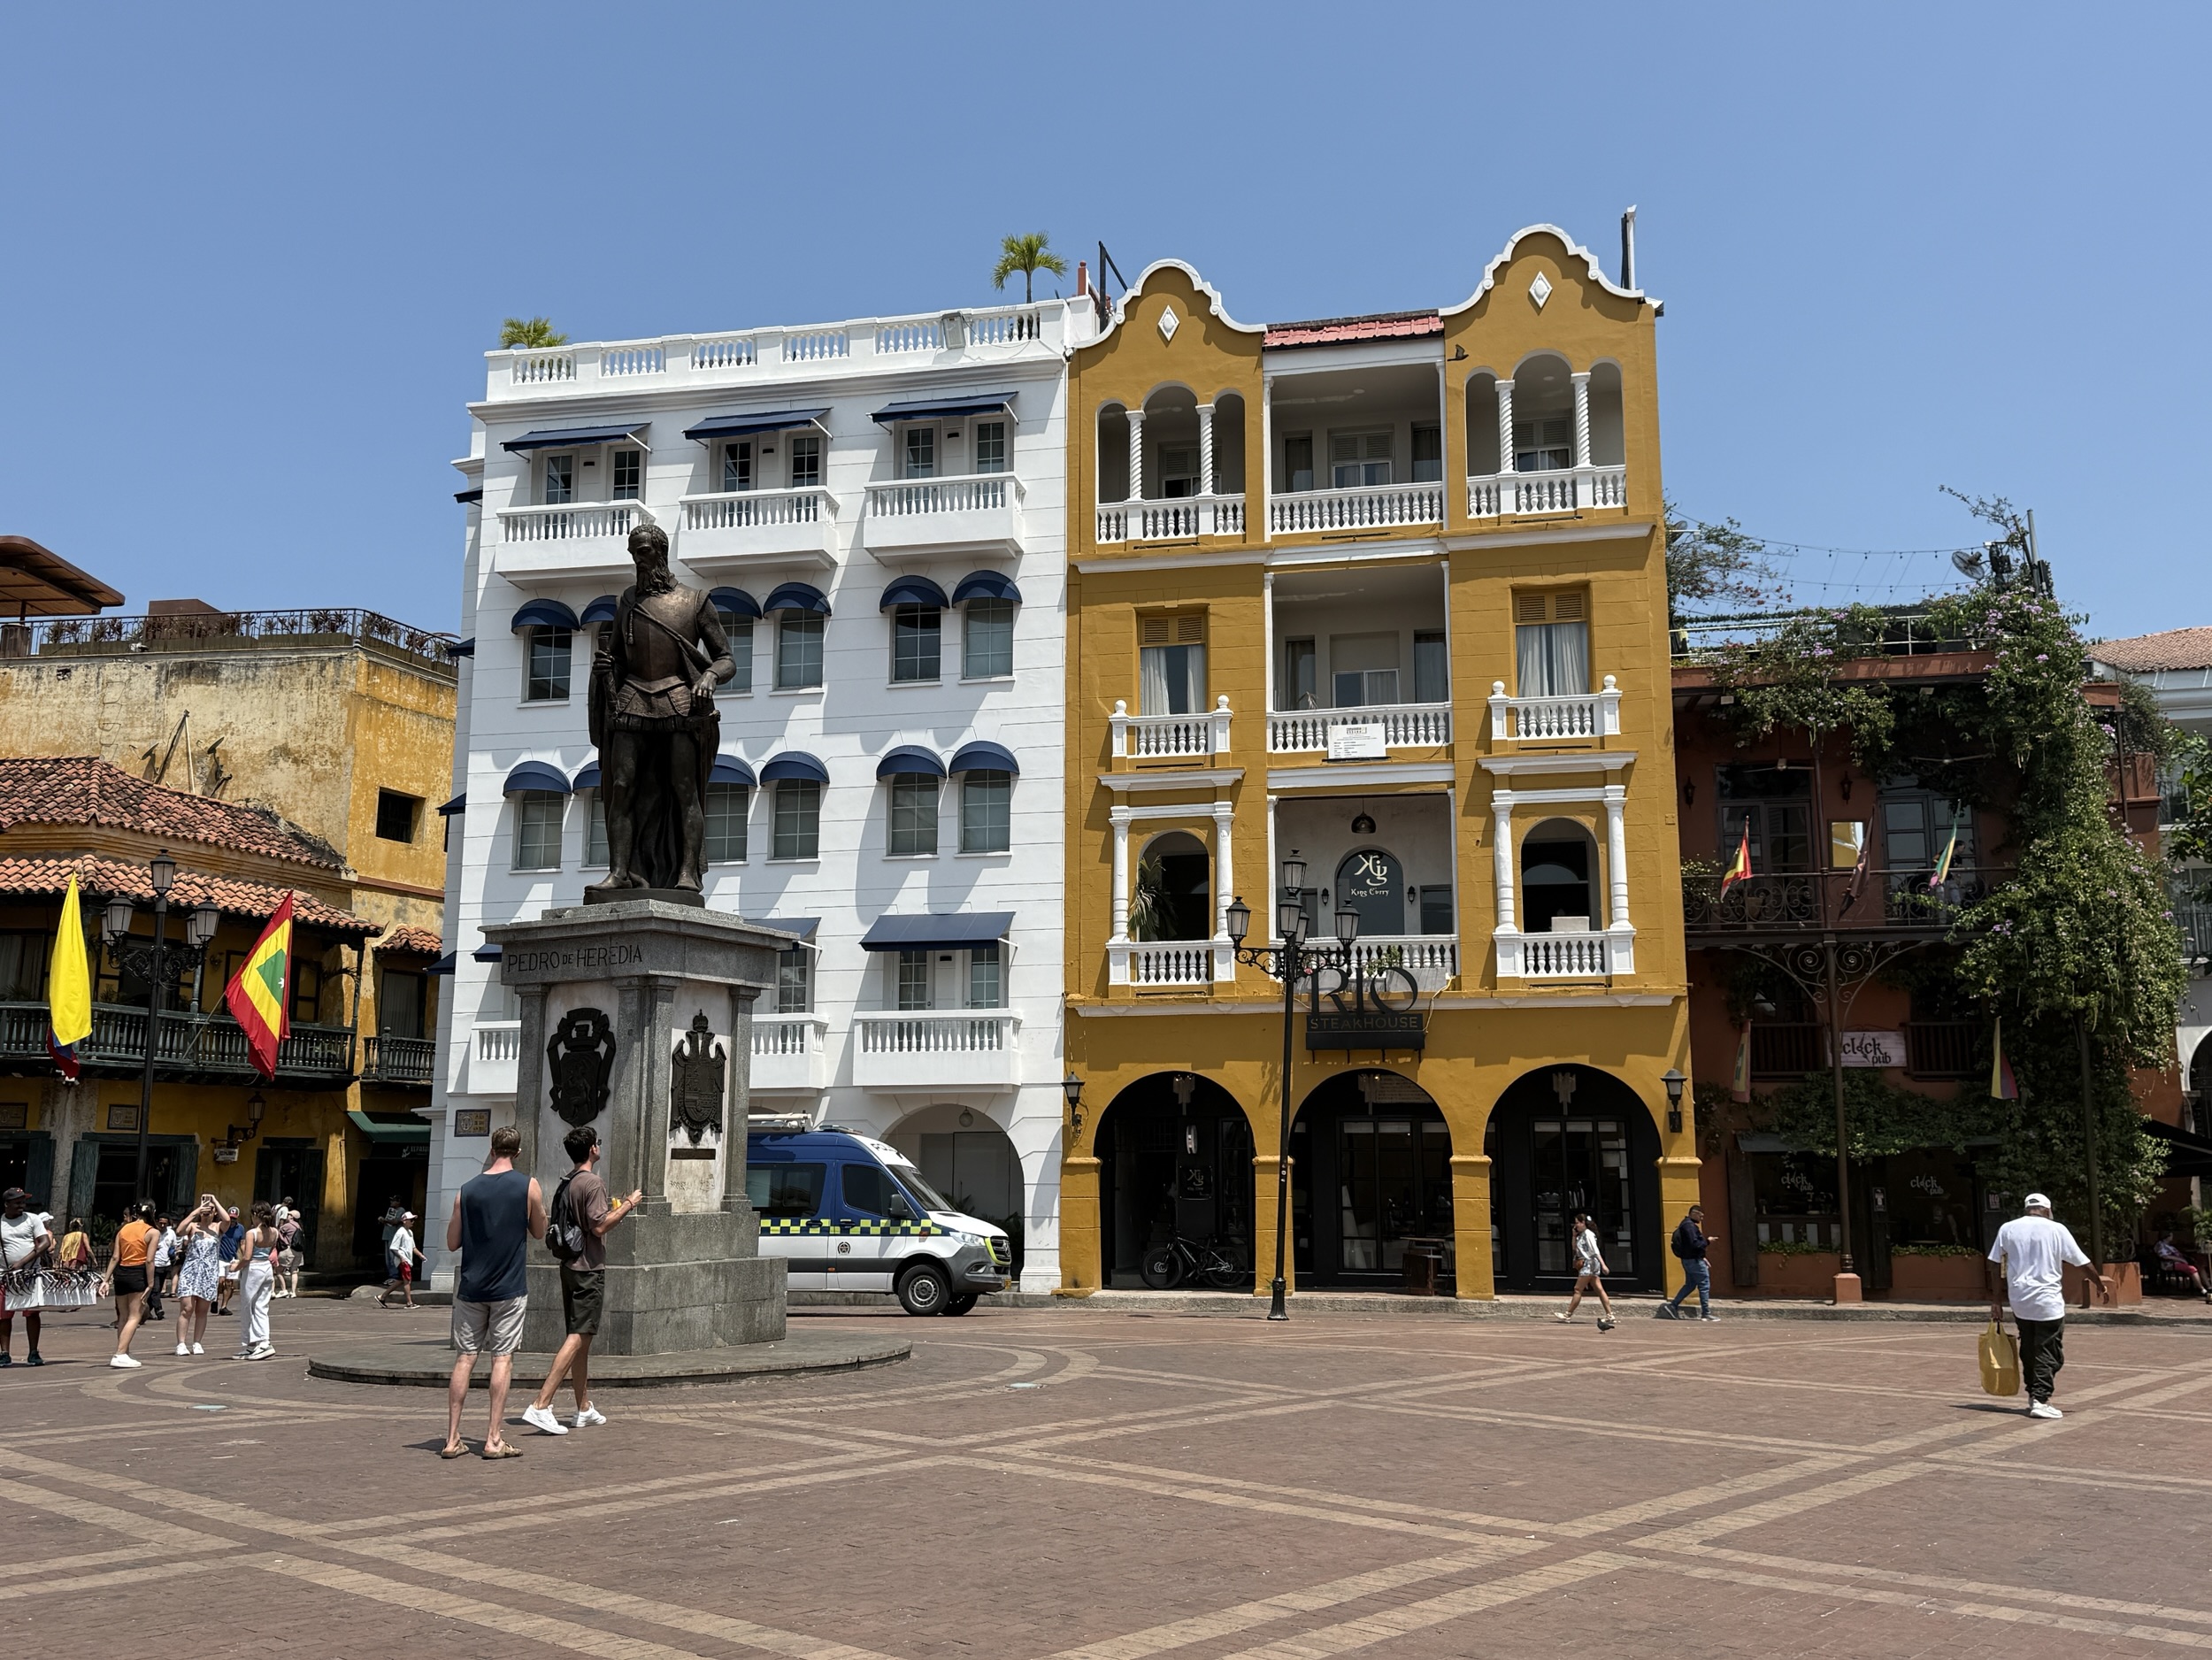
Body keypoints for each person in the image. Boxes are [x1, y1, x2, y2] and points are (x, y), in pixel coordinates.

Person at [522, 1126, 641, 1436]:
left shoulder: (568, 1181)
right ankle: (541, 1403)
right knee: (578, 1335)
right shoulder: (593, 1182)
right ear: (592, 1149)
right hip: (589, 1268)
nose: (599, 1146)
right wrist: (629, 1204)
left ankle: (583, 1408)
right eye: (597, 1143)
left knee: (582, 1341)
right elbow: (600, 1227)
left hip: (569, 1265)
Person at [442, 1126, 545, 1460]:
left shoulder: (467, 1189)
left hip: (472, 1287)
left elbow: (452, 1242)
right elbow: (540, 1231)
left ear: (491, 1149)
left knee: (465, 1358)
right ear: (517, 1152)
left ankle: (452, 1437)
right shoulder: (528, 1185)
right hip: (508, 1287)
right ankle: (493, 1438)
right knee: (502, 1358)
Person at [1989, 1192, 2112, 1420]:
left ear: (2028, 1208)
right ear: (2047, 1209)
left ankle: (2033, 1393)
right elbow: (2082, 1262)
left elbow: (1994, 1263)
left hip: (2020, 1300)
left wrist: (1996, 1300)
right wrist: (2099, 1284)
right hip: (2047, 1301)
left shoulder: (2008, 1229)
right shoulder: (2057, 1230)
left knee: (2029, 1348)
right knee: (2049, 1351)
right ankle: (2041, 1400)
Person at [103, 1200, 160, 1368]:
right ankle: (120, 1353)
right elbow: (149, 1260)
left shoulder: (124, 1229)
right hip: (138, 1274)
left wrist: (105, 1280)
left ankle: (124, 1350)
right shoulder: (152, 1232)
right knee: (135, 1316)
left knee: (123, 1316)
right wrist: (150, 1284)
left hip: (121, 1273)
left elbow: (115, 1257)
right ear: (153, 1212)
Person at [0, 1187, 53, 1367]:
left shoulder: (33, 1219)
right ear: (7, 1204)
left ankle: (33, 1352)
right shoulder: (1, 1222)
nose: (22, 1206)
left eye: (23, 1202)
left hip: (29, 1273)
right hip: (5, 1275)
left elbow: (45, 1243)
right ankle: (5, 1353)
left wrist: (23, 1262)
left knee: (32, 1314)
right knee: (4, 1315)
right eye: (17, 1203)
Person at [172, 1195, 225, 1356]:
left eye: (210, 1210)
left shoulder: (218, 1227)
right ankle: (181, 1343)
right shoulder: (193, 1226)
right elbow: (179, 1231)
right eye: (205, 1210)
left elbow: (228, 1219)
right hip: (191, 1270)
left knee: (202, 1310)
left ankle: (197, 1342)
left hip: (208, 1273)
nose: (207, 1212)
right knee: (187, 1308)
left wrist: (215, 1201)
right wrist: (196, 1211)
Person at [233, 1201, 280, 1361]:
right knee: (261, 1305)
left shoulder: (252, 1233)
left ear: (255, 1215)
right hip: (266, 1268)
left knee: (248, 1306)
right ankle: (259, 1343)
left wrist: (235, 1268)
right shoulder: (274, 1231)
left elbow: (247, 1257)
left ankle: (256, 1343)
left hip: (253, 1269)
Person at [1555, 1212, 1617, 1331]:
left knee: (1578, 1289)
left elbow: (1595, 1250)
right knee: (1599, 1289)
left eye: (1577, 1223)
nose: (1576, 1225)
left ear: (1583, 1223)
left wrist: (1603, 1265)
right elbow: (1574, 1248)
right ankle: (1610, 1314)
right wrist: (1574, 1236)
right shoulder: (1581, 1235)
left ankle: (1568, 1314)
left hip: (1589, 1263)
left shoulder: (1588, 1234)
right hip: (1589, 1263)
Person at [1659, 1204, 1717, 1321]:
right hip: (1694, 1261)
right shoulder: (1689, 1226)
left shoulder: (1686, 1225)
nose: (1702, 1219)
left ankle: (1673, 1305)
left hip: (1690, 1260)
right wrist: (1707, 1241)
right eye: (1701, 1216)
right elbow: (1694, 1244)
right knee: (1704, 1284)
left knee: (1690, 1285)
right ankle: (1706, 1313)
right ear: (1694, 1213)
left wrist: (1703, 1257)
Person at [2153, 1231, 2210, 1303]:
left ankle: (2209, 1287)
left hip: (2179, 1261)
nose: (2172, 1237)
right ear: (2167, 1236)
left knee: (2200, 1266)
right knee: (2192, 1269)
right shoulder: (2161, 1245)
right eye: (2171, 1236)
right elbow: (2164, 1256)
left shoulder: (2168, 1245)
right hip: (2170, 1264)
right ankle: (2202, 1289)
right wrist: (2180, 1259)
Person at [380, 1212, 421, 1310]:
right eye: (411, 1220)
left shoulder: (410, 1232)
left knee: (400, 1280)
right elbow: (393, 1248)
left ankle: (382, 1296)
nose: (412, 1222)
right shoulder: (400, 1232)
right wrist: (401, 1257)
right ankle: (409, 1303)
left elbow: (413, 1247)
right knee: (407, 1280)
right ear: (404, 1221)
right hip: (403, 1260)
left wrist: (420, 1255)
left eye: (413, 1220)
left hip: (407, 1260)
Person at [145, 1213, 175, 1324]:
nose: (162, 1225)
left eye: (165, 1224)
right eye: (160, 1223)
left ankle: (146, 1311)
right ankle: (159, 1309)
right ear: (157, 1222)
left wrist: (173, 1254)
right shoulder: (152, 1232)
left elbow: (173, 1246)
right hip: (154, 1264)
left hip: (165, 1264)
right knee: (156, 1289)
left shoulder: (171, 1233)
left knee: (155, 1291)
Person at [215, 1207, 244, 1315]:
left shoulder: (240, 1228)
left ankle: (224, 1306)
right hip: (220, 1258)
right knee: (220, 1281)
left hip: (233, 1258)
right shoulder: (221, 1226)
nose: (232, 1221)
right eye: (230, 1218)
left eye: (234, 1219)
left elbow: (242, 1243)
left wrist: (244, 1257)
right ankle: (215, 1299)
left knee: (229, 1283)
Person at [274, 1206, 305, 1299]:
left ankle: (283, 1290)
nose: (287, 1216)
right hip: (298, 1252)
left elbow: (277, 1232)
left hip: (289, 1250)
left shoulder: (288, 1226)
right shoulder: (300, 1226)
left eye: (289, 1214)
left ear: (292, 1217)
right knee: (294, 1271)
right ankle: (293, 1292)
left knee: (278, 1270)